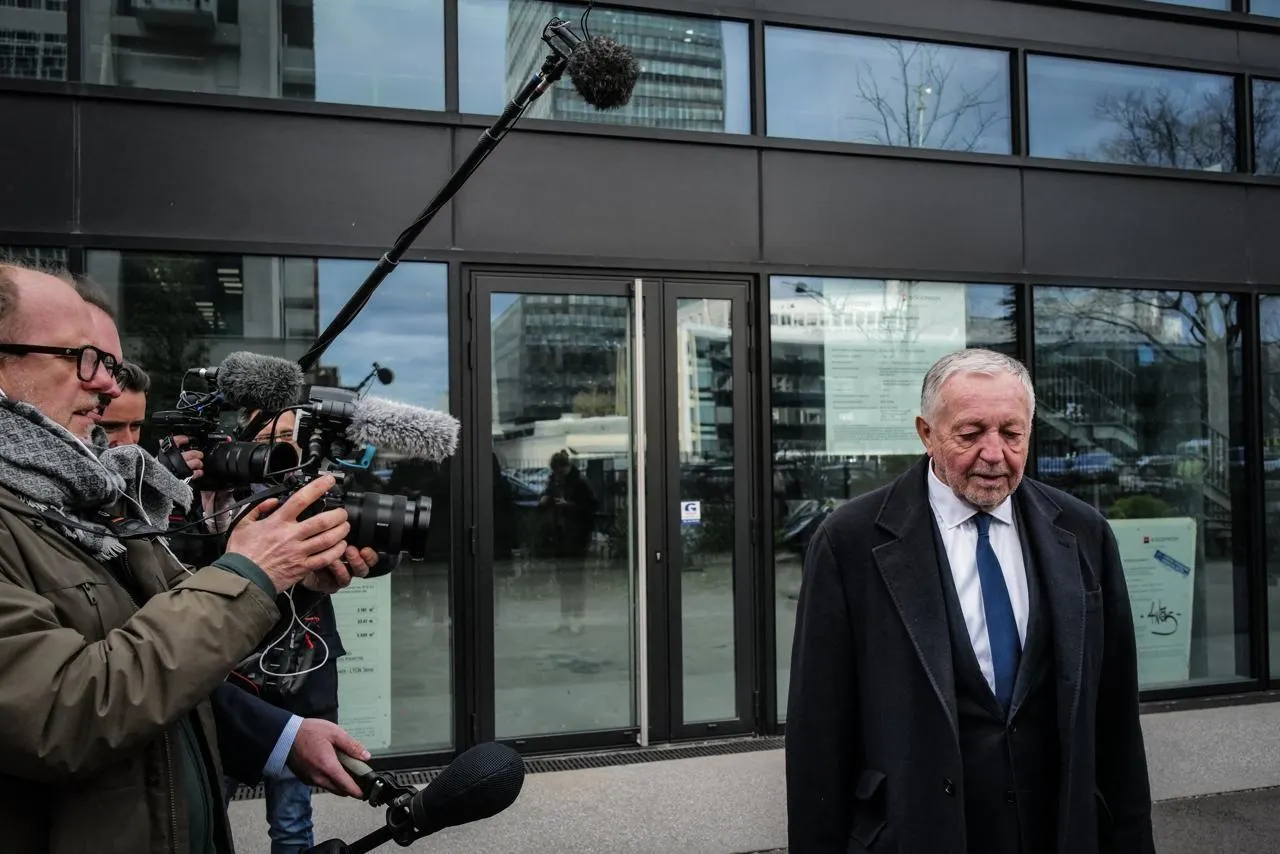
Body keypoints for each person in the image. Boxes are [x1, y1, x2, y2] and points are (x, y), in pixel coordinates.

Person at [0, 260, 361, 854]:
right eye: (82, 358)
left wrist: (288, 585)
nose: (108, 386)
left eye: (111, 364)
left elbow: (176, 661)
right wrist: (251, 574)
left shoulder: (89, 497)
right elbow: (64, 714)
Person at [785, 348, 1154, 854]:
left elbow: (1116, 718)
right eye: (970, 433)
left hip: (1057, 830)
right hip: (916, 831)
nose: (994, 453)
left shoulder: (1083, 532)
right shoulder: (849, 542)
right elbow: (818, 731)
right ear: (926, 433)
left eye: (1011, 433)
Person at [85, 351, 377, 829]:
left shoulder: (298, 491)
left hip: (295, 681)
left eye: (136, 427)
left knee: (292, 820)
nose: (127, 442)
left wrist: (317, 577)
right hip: (212, 682)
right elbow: (171, 591)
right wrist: (167, 488)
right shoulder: (154, 489)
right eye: (112, 426)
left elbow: (363, 545)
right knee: (206, 808)